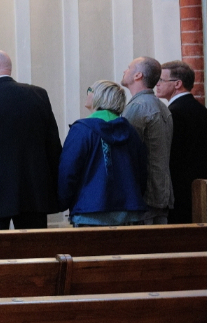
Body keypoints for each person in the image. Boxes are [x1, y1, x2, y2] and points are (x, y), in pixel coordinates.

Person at [0, 50, 62, 230]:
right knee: (34, 247)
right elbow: (53, 147)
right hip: (34, 193)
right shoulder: (39, 95)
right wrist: (56, 191)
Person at [58, 81, 147, 227]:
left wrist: (63, 202)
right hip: (129, 212)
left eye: (90, 90)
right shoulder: (131, 131)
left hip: (90, 211)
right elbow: (141, 171)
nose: (87, 94)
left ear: (99, 96)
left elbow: (68, 171)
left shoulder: (82, 130)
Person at [120, 56, 174, 225]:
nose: (125, 71)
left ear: (138, 75)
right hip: (160, 192)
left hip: (144, 197)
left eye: (129, 68)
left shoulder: (138, 107)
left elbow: (127, 152)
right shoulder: (161, 106)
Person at [156, 60, 206, 223]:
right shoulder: (201, 110)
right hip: (200, 186)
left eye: (161, 80)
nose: (157, 84)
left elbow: (172, 154)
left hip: (180, 189)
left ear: (177, 84)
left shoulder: (174, 113)